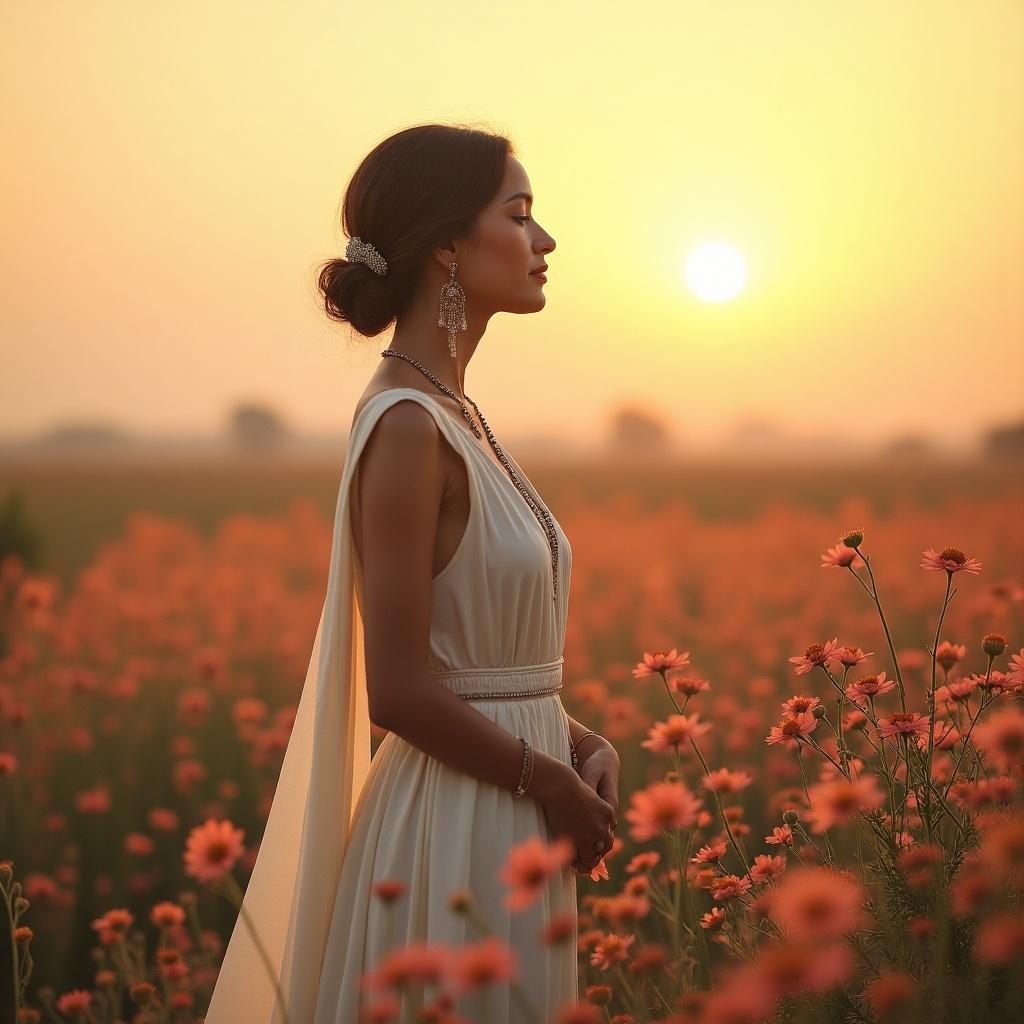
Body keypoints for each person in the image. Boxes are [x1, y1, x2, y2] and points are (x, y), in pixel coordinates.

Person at [203, 122, 620, 1024]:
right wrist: (545, 778)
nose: (545, 242)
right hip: (457, 830)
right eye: (519, 215)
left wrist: (579, 740)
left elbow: (474, 658)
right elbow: (395, 689)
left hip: (514, 807)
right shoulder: (405, 426)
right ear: (445, 245)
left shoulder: (457, 411)